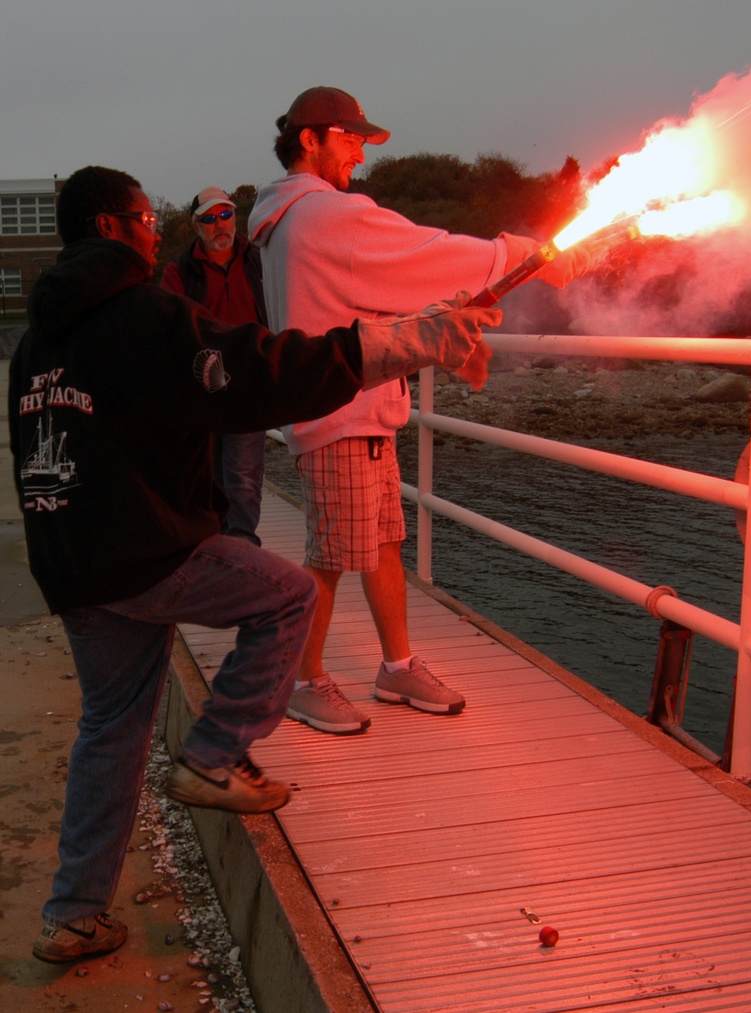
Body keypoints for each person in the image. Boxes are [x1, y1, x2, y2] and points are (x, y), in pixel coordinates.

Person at [9, 164, 499, 964]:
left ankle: (73, 915)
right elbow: (256, 370)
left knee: (112, 729)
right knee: (284, 592)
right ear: (107, 226)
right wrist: (404, 339)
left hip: (73, 563)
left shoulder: (35, 340)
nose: (152, 228)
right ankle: (213, 752)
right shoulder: (141, 314)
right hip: (142, 552)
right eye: (140, 216)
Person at [249, 86, 587, 735]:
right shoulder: (323, 215)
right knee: (331, 552)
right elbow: (426, 255)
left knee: (379, 543)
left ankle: (396, 665)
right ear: (311, 137)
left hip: (356, 406)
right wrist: (520, 253)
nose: (361, 156)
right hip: (338, 411)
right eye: (351, 139)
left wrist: (447, 329)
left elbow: (371, 300)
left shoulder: (287, 220)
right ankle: (302, 679)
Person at [161, 186, 268, 543]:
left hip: (248, 386)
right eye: (209, 218)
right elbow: (170, 329)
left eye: (225, 215)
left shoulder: (260, 260)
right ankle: (213, 547)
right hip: (201, 388)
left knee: (243, 476)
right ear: (196, 226)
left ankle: (242, 550)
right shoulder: (179, 271)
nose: (219, 224)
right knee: (204, 476)